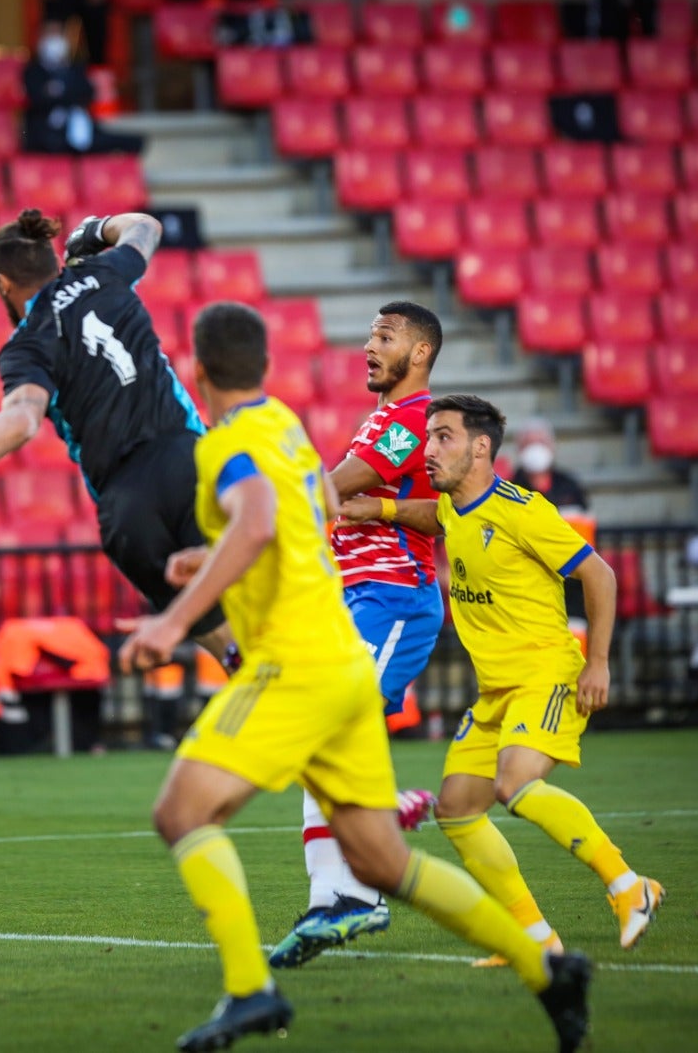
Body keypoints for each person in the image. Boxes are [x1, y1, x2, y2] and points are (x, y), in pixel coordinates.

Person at [117, 304, 591, 1053]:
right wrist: (200, 565)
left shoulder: (234, 442)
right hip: (339, 648)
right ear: (266, 369)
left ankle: (250, 991)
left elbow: (260, 520)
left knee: (183, 813)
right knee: (381, 860)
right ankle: (549, 970)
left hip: (304, 657)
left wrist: (174, 621)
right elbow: (297, 518)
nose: (372, 346)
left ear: (198, 374)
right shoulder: (285, 428)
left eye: (384, 335)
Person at [0, 209, 233, 664]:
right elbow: (147, 227)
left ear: (3, 282)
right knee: (259, 620)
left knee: (226, 648)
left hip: (129, 506)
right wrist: (93, 231)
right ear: (54, 262)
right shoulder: (106, 272)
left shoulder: (28, 343)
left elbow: (22, 420)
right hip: (189, 460)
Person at [395, 394, 663, 962]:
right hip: (496, 689)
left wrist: (598, 662)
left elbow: (601, 574)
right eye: (429, 436)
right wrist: (378, 511)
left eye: (444, 436)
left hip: (548, 674)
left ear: (482, 447)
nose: (429, 448)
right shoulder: (454, 508)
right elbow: (432, 517)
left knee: (513, 784)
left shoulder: (524, 511)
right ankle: (536, 940)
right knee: (457, 811)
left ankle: (628, 884)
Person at [269, 301, 448, 967]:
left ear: (421, 352)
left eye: (386, 335)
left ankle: (362, 876)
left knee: (319, 731)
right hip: (358, 602)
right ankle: (337, 898)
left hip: (393, 599)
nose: (370, 346)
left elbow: (343, 486)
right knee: (317, 747)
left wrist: (265, 505)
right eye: (371, 334)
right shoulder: (383, 419)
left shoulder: (408, 420)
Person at [22, 21, 145, 155]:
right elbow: (38, 100)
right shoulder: (32, 71)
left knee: (131, 142)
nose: (54, 40)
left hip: (77, 124)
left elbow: (87, 92)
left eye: (58, 34)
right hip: (47, 132)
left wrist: (58, 92)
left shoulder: (75, 68)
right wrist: (68, 93)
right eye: (50, 34)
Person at [512, 418, 590, 515]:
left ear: (552, 446)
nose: (535, 449)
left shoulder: (569, 486)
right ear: (519, 449)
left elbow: (584, 520)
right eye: (529, 443)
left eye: (541, 442)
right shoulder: (510, 489)